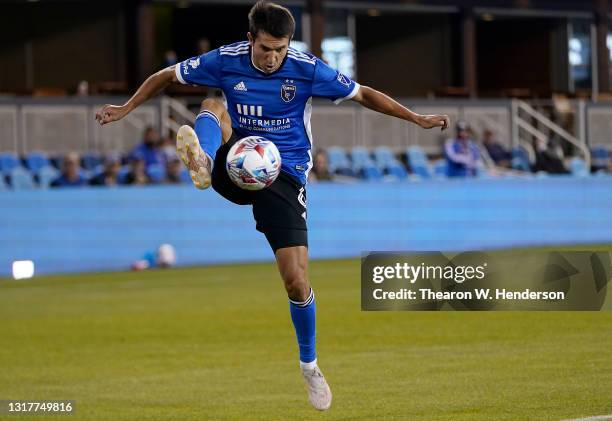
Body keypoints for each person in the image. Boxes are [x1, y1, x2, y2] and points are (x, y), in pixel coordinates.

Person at [95, 0, 449, 411]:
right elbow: (165, 76)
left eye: (280, 49)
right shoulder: (226, 60)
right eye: (266, 49)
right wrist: (126, 109)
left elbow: (363, 93)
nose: (273, 57)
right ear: (250, 40)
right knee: (212, 105)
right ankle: (204, 160)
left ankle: (309, 365)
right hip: (234, 162)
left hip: (283, 175)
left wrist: (417, 118)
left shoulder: (306, 68)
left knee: (296, 281)